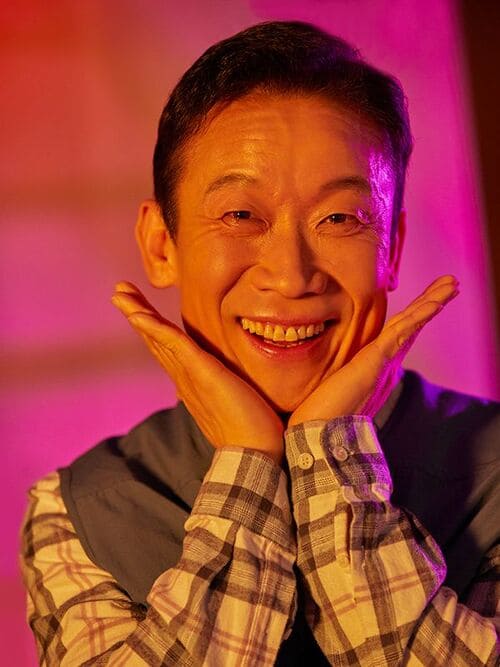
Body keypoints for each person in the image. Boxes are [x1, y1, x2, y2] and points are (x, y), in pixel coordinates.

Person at [21, 21, 499, 666]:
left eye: (340, 218)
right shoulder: (79, 508)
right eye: (241, 216)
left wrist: (331, 454)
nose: (292, 276)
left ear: (392, 248)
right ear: (162, 245)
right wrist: (249, 461)